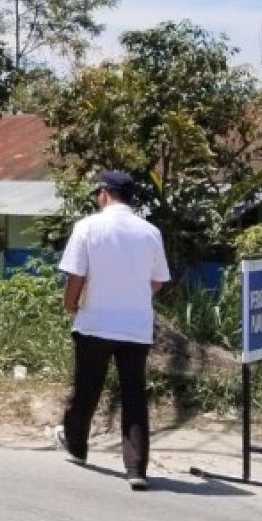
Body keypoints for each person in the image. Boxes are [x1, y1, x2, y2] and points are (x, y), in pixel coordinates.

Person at [53, 170, 170, 490]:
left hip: (95, 324)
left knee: (86, 389)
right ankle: (136, 469)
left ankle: (77, 446)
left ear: (104, 193)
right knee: (134, 396)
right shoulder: (150, 232)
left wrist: (70, 304)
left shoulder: (88, 227)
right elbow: (158, 281)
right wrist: (133, 295)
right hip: (135, 329)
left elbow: (75, 275)